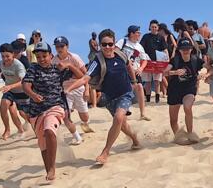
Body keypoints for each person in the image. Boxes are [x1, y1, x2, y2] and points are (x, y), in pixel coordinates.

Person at [20, 42, 87, 182]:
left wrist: (69, 65)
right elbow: (25, 85)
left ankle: (52, 169)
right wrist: (33, 95)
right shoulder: (33, 69)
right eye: (38, 57)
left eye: (44, 56)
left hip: (55, 107)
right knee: (42, 142)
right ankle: (49, 169)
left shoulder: (58, 69)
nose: (42, 59)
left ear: (51, 56)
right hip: (36, 111)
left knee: (49, 131)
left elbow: (81, 76)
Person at [88, 29, 142, 164]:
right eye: (104, 44)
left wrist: (134, 81)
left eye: (110, 44)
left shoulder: (120, 54)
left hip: (125, 93)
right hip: (110, 97)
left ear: (114, 43)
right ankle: (135, 139)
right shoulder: (97, 60)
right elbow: (86, 77)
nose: (107, 47)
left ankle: (105, 152)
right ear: (100, 45)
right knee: (122, 124)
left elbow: (129, 66)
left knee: (118, 118)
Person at [0, 42, 29, 139]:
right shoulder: (1, 62)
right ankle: (8, 129)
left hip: (22, 92)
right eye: (3, 56)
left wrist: (10, 86)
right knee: (4, 105)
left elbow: (23, 81)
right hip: (10, 91)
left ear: (13, 54)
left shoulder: (18, 65)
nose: (5, 59)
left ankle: (33, 126)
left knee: (23, 114)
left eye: (7, 56)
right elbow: (0, 69)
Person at [165, 37, 203, 140]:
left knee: (187, 107)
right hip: (174, 90)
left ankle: (190, 134)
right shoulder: (175, 60)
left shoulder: (196, 60)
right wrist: (175, 72)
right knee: (173, 120)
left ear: (191, 49)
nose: (185, 50)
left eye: (188, 48)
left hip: (189, 89)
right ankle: (179, 137)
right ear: (179, 50)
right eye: (183, 48)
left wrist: (206, 75)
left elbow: (210, 67)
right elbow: (164, 72)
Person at [54, 36, 90, 143]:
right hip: (65, 91)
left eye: (62, 46)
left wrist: (87, 89)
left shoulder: (74, 57)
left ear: (67, 46)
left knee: (84, 116)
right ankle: (77, 137)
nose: (59, 48)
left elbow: (85, 75)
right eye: (57, 46)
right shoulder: (54, 61)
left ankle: (85, 123)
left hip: (79, 88)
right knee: (65, 116)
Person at [120, 25, 150, 121]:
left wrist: (141, 68)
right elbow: (115, 52)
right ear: (131, 33)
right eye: (138, 32)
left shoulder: (139, 46)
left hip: (135, 70)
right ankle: (124, 111)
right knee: (125, 90)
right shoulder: (122, 42)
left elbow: (145, 60)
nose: (139, 34)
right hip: (123, 70)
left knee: (140, 87)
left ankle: (142, 113)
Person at [141, 20, 169, 103]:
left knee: (157, 81)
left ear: (158, 28)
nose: (154, 28)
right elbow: (140, 48)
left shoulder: (161, 37)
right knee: (148, 82)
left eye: (155, 27)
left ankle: (157, 98)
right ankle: (148, 98)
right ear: (149, 27)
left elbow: (165, 49)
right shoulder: (146, 36)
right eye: (152, 27)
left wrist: (167, 58)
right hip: (147, 62)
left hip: (158, 62)